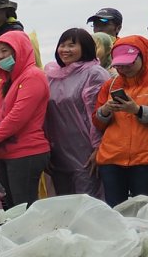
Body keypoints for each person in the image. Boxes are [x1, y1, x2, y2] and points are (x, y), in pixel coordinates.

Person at [91, 35, 148, 206]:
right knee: (116, 210)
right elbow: (98, 123)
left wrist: (137, 110)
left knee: (144, 209)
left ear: (143, 56)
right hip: (111, 158)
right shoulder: (110, 84)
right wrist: (105, 110)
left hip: (147, 159)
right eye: (119, 64)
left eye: (129, 63)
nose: (124, 68)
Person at [0, 30, 52, 208]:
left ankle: (30, 237)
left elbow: (18, 117)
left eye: (5, 51)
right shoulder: (4, 81)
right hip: (4, 152)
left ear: (19, 50)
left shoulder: (34, 76)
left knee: (23, 207)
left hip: (27, 152)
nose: (0, 57)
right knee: (11, 207)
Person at [43, 29, 108, 197]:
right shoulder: (51, 76)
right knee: (63, 202)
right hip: (58, 150)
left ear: (85, 47)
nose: (65, 50)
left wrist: (99, 147)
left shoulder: (94, 74)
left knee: (88, 201)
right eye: (62, 45)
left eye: (72, 45)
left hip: (85, 150)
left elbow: (99, 112)